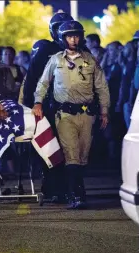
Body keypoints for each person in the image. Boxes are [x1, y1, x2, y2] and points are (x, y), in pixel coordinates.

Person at [32, 20, 110, 209]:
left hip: (87, 114)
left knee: (83, 156)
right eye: (69, 36)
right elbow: (43, 83)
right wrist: (38, 102)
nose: (73, 39)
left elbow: (101, 86)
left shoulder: (90, 60)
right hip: (64, 115)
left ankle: (76, 189)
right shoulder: (56, 59)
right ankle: (76, 194)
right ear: (63, 38)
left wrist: (104, 111)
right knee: (71, 154)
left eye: (76, 35)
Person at [22, 12, 74, 203]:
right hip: (48, 107)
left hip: (73, 107)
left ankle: (71, 188)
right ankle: (52, 187)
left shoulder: (80, 49)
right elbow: (32, 80)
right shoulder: (45, 50)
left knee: (72, 150)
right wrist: (30, 106)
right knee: (50, 148)